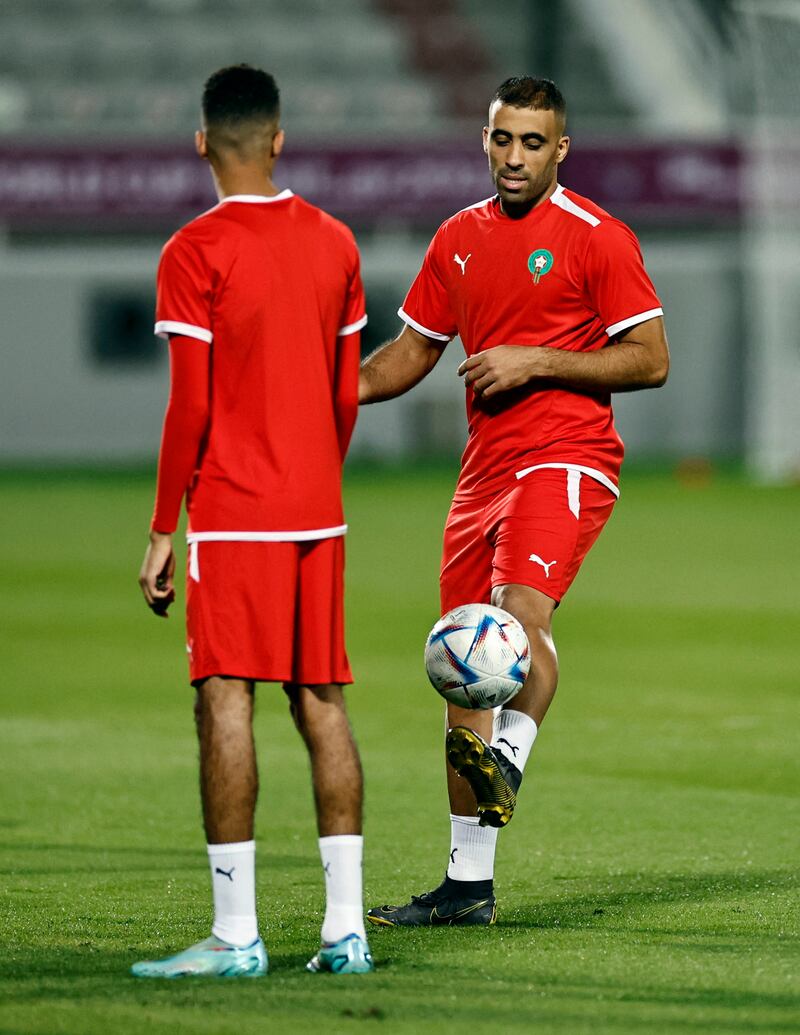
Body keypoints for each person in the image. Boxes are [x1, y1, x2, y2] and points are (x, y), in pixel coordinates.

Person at [360, 76, 669, 927]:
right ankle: (468, 886)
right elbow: (412, 352)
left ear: (560, 149)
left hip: (567, 456)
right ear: (485, 139)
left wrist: (537, 360)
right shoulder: (458, 237)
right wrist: (335, 392)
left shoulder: (597, 237)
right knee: (463, 667)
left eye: (534, 143)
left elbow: (649, 358)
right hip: (481, 474)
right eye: (503, 140)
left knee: (513, 615)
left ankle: (514, 759)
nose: (515, 156)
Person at [133, 64, 372, 976]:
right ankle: (344, 933)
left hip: (233, 516)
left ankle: (237, 936)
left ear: (202, 142)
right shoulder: (337, 241)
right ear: (278, 138)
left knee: (224, 699)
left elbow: (186, 408)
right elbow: (344, 395)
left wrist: (165, 524)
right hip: (319, 510)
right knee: (322, 705)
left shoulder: (193, 251)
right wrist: (315, 472)